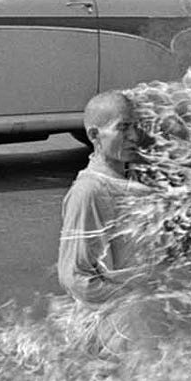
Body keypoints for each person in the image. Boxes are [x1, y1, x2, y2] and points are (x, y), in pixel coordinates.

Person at [58, 91, 150, 340]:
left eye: (135, 127)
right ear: (94, 135)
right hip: (117, 328)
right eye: (123, 128)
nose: (134, 136)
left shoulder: (131, 179)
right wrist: (133, 302)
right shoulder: (90, 191)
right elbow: (75, 277)